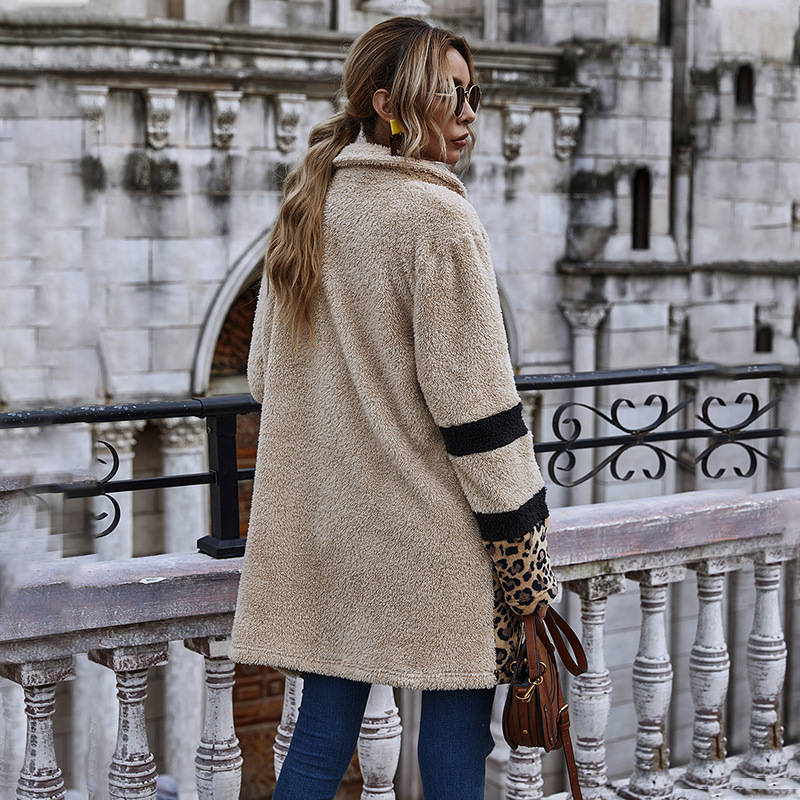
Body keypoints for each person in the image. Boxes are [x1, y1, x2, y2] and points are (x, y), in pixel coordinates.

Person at [230, 15, 557, 800]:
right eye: (449, 95)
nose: (468, 114)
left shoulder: (310, 204)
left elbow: (263, 377)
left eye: (473, 94)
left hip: (335, 534)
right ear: (387, 104)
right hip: (438, 541)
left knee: (318, 743)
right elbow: (477, 411)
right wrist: (525, 546)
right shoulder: (439, 218)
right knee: (454, 745)